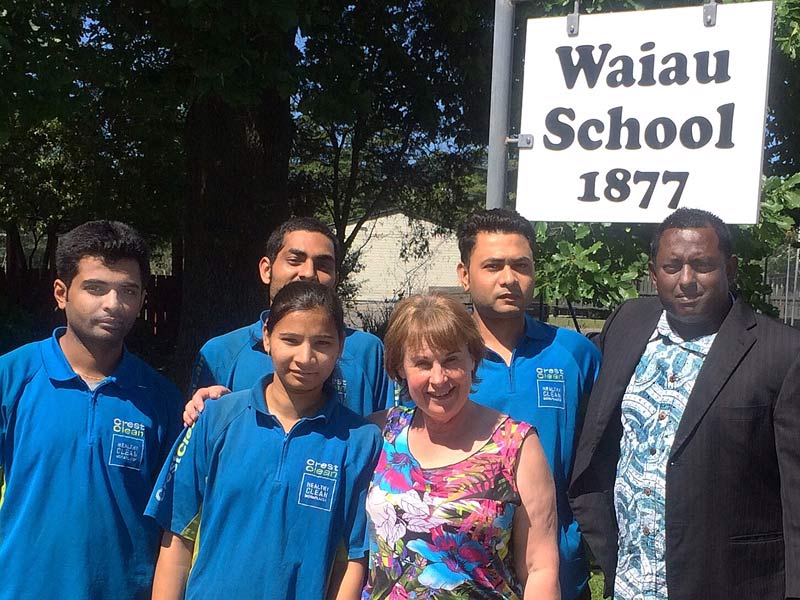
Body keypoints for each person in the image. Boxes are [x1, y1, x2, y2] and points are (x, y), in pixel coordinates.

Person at [569, 208, 800, 600]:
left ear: (731, 268)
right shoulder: (628, 323)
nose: (687, 280)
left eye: (703, 265)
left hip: (729, 582)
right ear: (653, 272)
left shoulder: (782, 352)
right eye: (672, 266)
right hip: (631, 581)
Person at [147, 281, 382, 600]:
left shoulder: (360, 442)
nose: (306, 357)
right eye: (291, 340)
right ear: (267, 337)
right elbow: (177, 537)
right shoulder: (215, 419)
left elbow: (352, 559)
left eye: (322, 343)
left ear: (341, 345)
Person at [0, 220, 182, 599]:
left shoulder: (161, 399)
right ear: (61, 293)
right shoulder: (13, 376)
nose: (113, 304)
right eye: (96, 288)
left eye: (128, 290)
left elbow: (174, 524)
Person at [363, 293, 560, 600]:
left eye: (451, 360)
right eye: (422, 363)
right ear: (400, 368)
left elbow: (540, 569)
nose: (439, 378)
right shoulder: (377, 434)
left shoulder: (517, 445)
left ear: (473, 360)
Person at [456, 208, 601, 600]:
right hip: (463, 573)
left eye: (521, 265)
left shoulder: (574, 354)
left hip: (558, 570)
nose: (509, 279)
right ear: (464, 275)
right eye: (492, 266)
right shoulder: (441, 362)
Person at [187, 216, 391, 417]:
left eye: (323, 265)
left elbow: (396, 434)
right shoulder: (221, 353)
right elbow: (200, 435)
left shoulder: (369, 352)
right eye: (295, 260)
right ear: (267, 270)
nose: (309, 273)